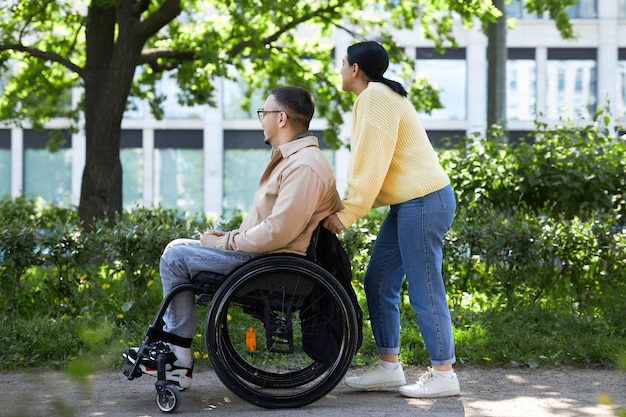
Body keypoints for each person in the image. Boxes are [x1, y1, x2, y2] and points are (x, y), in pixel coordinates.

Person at [124, 86, 341, 390]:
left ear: (281, 118)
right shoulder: (294, 160)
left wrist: (225, 243)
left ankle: (178, 357)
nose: (261, 120)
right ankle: (175, 351)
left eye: (263, 113)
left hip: (271, 264)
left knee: (176, 255)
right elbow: (273, 225)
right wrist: (229, 236)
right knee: (185, 249)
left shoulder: (304, 165)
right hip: (263, 256)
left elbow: (278, 232)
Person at [323, 41, 460, 398]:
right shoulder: (378, 96)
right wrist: (343, 204)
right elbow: (372, 164)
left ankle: (444, 373)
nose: (339, 70)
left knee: (425, 287)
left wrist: (347, 212)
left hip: (425, 201)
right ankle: (388, 367)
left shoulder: (376, 97)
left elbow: (371, 161)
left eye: (342, 64)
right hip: (410, 203)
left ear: (355, 69)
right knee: (379, 280)